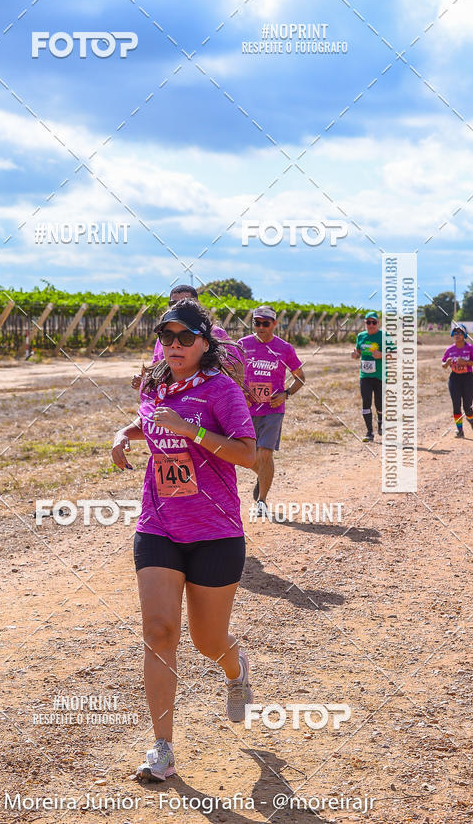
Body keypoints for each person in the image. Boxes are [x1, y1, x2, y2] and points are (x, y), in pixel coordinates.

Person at [112, 299, 257, 782]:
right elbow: (150, 421)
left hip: (215, 532)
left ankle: (236, 671)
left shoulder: (221, 391)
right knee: (158, 633)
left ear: (205, 342)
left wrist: (192, 429)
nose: (174, 345)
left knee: (206, 639)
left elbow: (248, 455)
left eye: (185, 337)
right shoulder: (154, 382)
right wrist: (124, 433)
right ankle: (163, 748)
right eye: (167, 336)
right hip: (159, 524)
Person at [238, 306, 305, 520]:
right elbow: (231, 373)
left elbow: (300, 377)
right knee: (245, 455)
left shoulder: (284, 348)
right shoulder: (242, 345)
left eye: (265, 323)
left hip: (273, 410)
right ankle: (263, 476)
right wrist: (242, 392)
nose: (260, 327)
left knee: (265, 454)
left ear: (274, 324)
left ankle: (262, 501)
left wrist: (285, 394)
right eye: (256, 323)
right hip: (246, 410)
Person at [131, 284, 243, 388]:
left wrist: (230, 393)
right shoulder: (164, 336)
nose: (179, 307)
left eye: (185, 302)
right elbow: (157, 369)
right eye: (174, 304)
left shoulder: (215, 332)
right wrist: (145, 381)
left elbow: (235, 368)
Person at [351, 311, 395, 442]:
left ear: (378, 323)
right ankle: (369, 432)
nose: (371, 325)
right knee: (366, 402)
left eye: (374, 322)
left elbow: (394, 353)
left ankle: (381, 423)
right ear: (365, 323)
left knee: (379, 404)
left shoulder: (384, 336)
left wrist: (382, 354)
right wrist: (355, 355)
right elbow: (358, 351)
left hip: (380, 376)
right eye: (368, 322)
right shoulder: (361, 336)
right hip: (365, 376)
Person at [441, 324, 473, 437]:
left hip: (467, 378)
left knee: (467, 407)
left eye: (459, 333)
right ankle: (460, 430)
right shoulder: (449, 349)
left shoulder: (470, 348)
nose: (457, 335)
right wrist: (446, 364)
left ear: (464, 335)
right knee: (456, 404)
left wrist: (466, 362)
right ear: (452, 335)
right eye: (455, 333)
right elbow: (443, 364)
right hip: (454, 378)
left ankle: (470, 418)